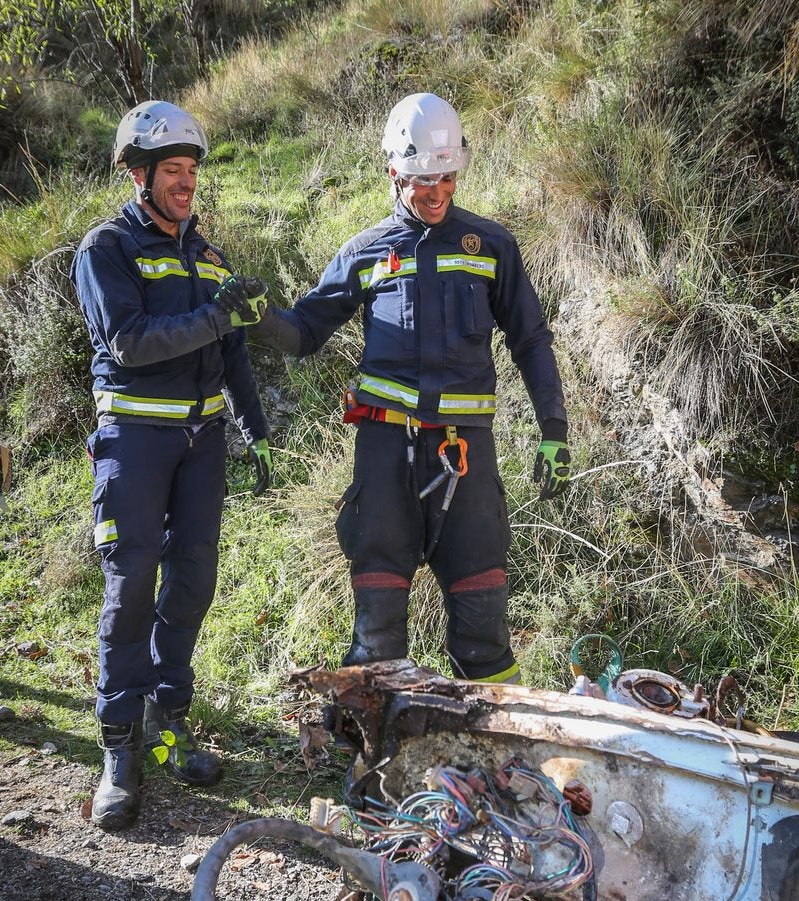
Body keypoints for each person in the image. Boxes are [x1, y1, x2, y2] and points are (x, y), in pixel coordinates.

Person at [249, 91, 571, 684]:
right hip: (385, 457)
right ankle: (378, 738)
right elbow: (304, 332)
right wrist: (259, 318)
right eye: (424, 179)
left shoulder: (491, 246)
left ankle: (490, 737)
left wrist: (554, 428)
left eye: (447, 176)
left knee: (484, 635)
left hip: (465, 457)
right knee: (378, 639)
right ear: (394, 173)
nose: (437, 191)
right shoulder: (365, 252)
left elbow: (530, 339)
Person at [70, 100, 271, 831]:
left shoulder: (209, 257)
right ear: (140, 175)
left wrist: (256, 430)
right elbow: (128, 341)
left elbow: (233, 351)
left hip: (202, 445)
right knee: (131, 589)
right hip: (134, 442)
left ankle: (168, 722)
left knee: (193, 582)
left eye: (191, 170)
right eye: (172, 170)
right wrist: (218, 315)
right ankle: (119, 750)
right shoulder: (106, 249)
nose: (186, 182)